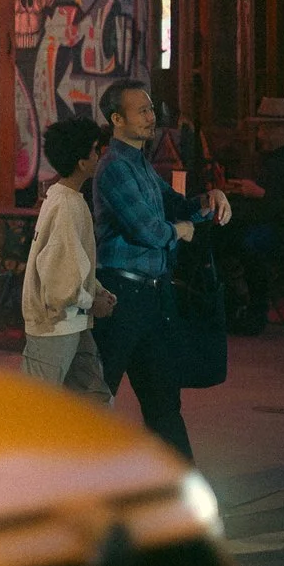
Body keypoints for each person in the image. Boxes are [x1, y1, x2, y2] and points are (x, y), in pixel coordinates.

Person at [93, 78, 231, 459]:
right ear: (117, 119)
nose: (151, 117)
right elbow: (149, 230)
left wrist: (211, 198)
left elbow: (176, 203)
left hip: (152, 292)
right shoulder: (115, 167)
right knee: (100, 394)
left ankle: (178, 489)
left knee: (163, 399)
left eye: (152, 108)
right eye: (142, 111)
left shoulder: (139, 163)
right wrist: (182, 230)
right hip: (122, 294)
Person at [21, 117, 116, 399]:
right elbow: (61, 284)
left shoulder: (65, 199)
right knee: (34, 411)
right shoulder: (67, 206)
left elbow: (72, 266)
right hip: (56, 325)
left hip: (70, 322)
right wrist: (92, 301)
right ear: (82, 161)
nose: (101, 155)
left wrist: (96, 290)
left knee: (93, 398)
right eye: (96, 149)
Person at [224, 95, 284, 333]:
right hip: (256, 224)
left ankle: (255, 311)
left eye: (264, 129)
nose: (260, 135)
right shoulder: (264, 159)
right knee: (219, 236)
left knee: (245, 243)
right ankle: (229, 305)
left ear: (280, 130)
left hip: (280, 232)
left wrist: (259, 194)